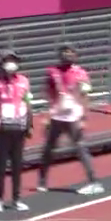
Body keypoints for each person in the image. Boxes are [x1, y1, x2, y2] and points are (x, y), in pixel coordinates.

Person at [39, 44, 102, 196]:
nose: (67, 55)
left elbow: (85, 96)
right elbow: (48, 92)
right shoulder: (52, 72)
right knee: (48, 147)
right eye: (64, 52)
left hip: (73, 116)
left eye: (70, 52)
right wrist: (49, 113)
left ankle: (94, 181)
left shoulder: (80, 73)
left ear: (75, 55)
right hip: (57, 115)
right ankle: (42, 180)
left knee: (80, 147)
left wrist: (83, 117)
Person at [0, 49, 34, 213]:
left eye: (14, 60)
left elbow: (27, 103)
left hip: (19, 128)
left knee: (17, 165)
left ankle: (16, 199)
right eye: (8, 60)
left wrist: (30, 125)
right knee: (0, 166)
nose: (11, 64)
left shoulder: (24, 81)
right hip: (2, 128)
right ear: (1, 64)